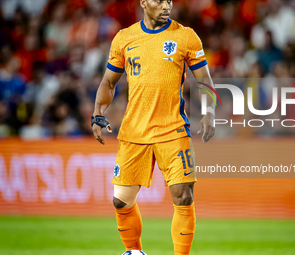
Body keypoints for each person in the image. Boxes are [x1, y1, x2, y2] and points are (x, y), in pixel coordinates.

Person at [91, 0, 215, 254]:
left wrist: (210, 112)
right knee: (121, 202)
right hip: (134, 133)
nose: (166, 5)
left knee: (184, 195)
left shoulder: (186, 37)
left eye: (169, 0)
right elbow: (108, 83)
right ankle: (134, 252)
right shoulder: (125, 38)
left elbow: (204, 80)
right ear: (144, 3)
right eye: (159, 0)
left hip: (173, 130)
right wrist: (97, 113)